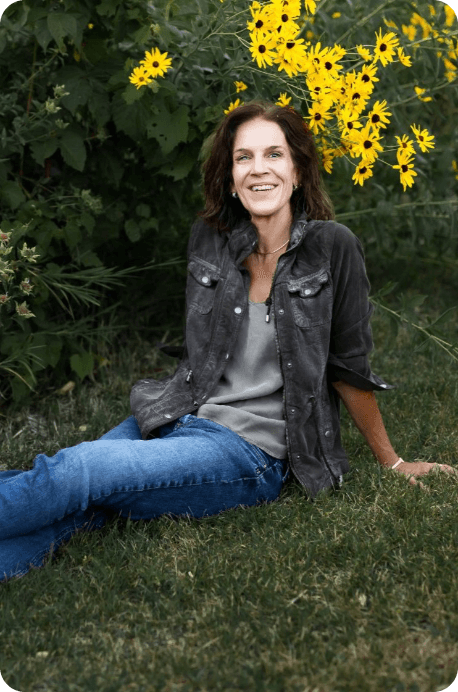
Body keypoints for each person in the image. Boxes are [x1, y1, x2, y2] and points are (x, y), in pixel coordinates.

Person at [1, 100, 456, 583]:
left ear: (298, 171)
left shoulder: (333, 247)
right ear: (231, 176)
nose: (259, 169)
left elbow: (347, 365)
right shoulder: (210, 238)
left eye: (274, 155)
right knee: (87, 499)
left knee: (76, 472)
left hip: (246, 452)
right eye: (244, 158)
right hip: (178, 414)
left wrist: (394, 461)